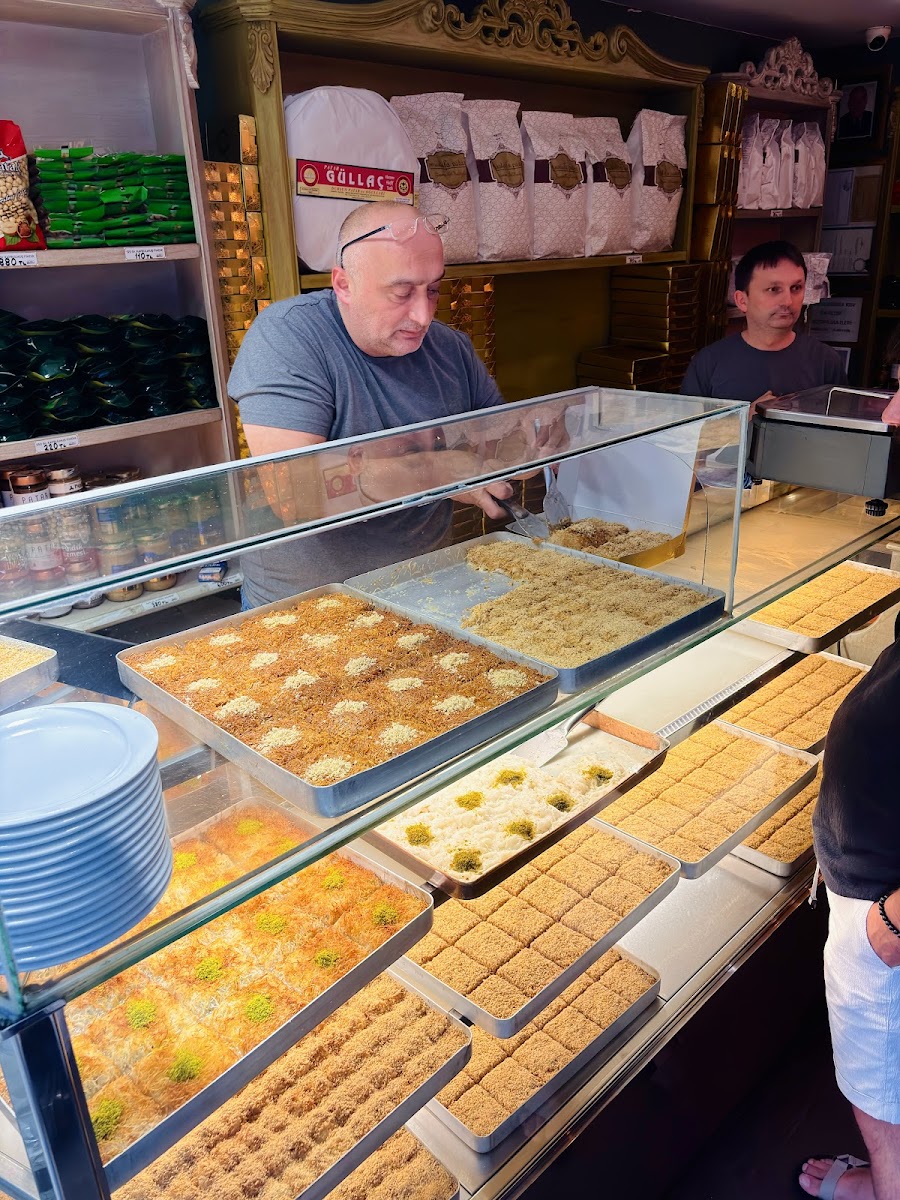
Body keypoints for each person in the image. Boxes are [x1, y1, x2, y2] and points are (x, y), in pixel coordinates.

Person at [228, 201, 518, 608]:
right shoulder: (289, 336)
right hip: (307, 609)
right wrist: (437, 469)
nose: (422, 315)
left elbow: (496, 440)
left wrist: (531, 444)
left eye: (433, 289)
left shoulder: (449, 348)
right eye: (401, 293)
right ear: (343, 285)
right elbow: (295, 492)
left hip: (426, 592)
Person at [681, 240, 847, 412]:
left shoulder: (826, 362)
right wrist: (745, 420)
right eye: (773, 289)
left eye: (796, 288)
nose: (788, 301)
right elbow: (686, 434)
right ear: (742, 300)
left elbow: (841, 433)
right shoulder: (708, 363)